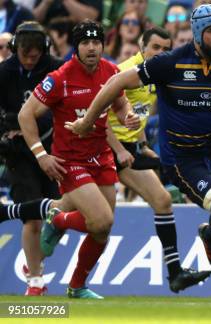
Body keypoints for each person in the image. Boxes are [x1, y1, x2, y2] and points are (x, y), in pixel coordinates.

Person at [65, 4, 211, 302]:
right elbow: (117, 81)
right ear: (198, 33)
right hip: (183, 158)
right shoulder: (170, 63)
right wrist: (87, 120)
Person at [18, 20, 140, 299]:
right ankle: (58, 219)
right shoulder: (60, 77)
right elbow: (26, 115)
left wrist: (127, 116)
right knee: (102, 220)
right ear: (76, 47)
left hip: (101, 157)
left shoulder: (111, 71)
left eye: (96, 42)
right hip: (71, 160)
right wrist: (40, 155)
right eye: (85, 43)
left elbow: (120, 104)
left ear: (102, 46)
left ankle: (76, 286)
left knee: (101, 231)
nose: (92, 48)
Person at [106, 26, 211, 293]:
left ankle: (175, 274)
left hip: (129, 147)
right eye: (155, 48)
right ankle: (48, 215)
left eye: (166, 49)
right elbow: (98, 116)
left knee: (163, 200)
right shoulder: (122, 73)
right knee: (96, 219)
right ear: (142, 47)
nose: (160, 54)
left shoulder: (158, 73)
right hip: (103, 147)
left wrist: (141, 144)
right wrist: (119, 149)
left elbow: (137, 113)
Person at [0, 21, 63, 296]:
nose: (30, 58)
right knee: (32, 218)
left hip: (54, 150)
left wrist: (17, 120)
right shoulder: (3, 73)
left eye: (36, 53)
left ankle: (37, 256)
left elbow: (57, 108)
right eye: (25, 53)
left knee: (62, 211)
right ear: (15, 49)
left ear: (44, 50)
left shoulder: (56, 69)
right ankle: (35, 281)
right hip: (18, 154)